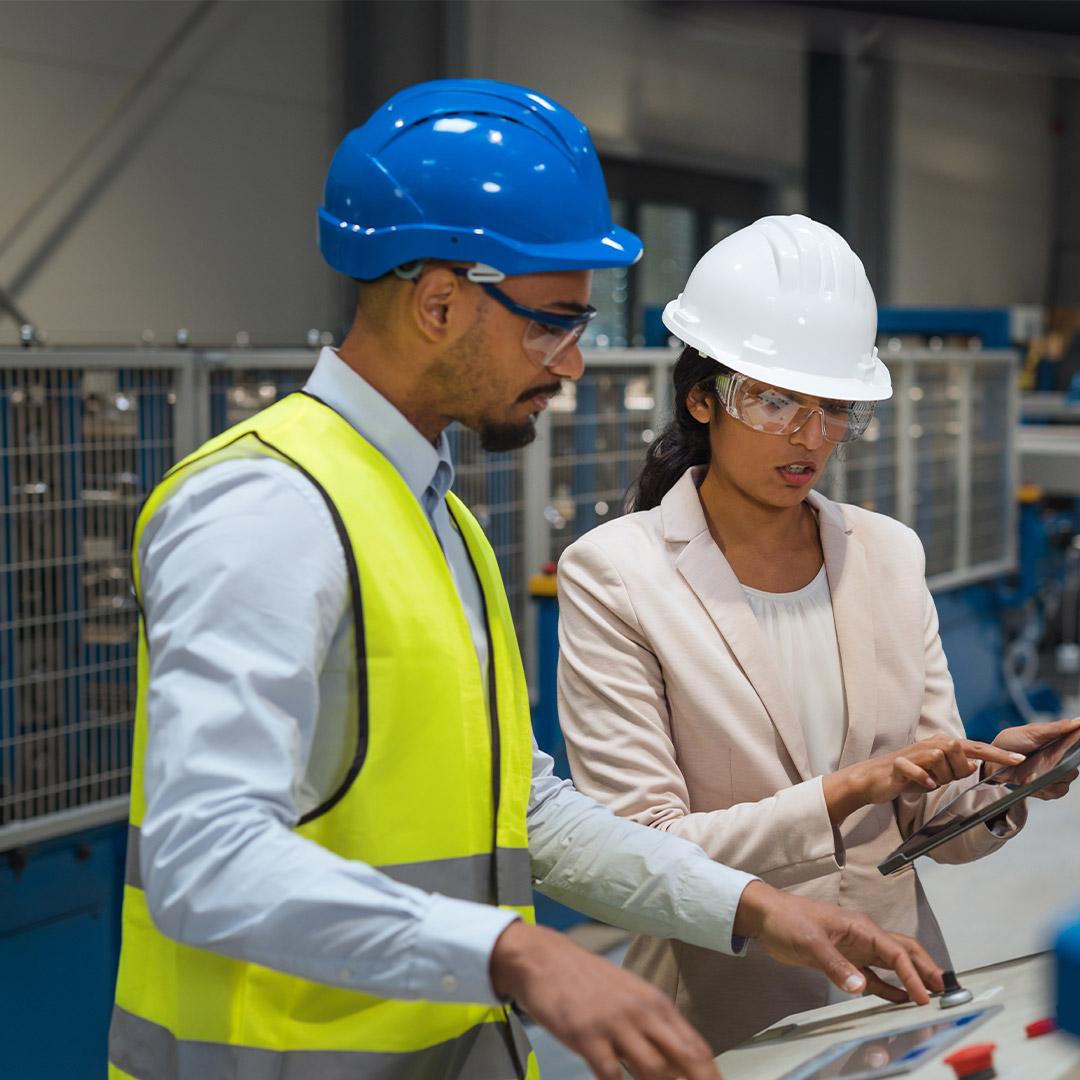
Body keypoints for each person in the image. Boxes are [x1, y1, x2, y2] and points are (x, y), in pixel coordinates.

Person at [108, 88, 944, 1080]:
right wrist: (515, 951)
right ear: (440, 302)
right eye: (554, 323)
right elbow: (204, 859)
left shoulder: (435, 517)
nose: (577, 363)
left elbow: (525, 810)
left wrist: (757, 908)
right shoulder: (268, 508)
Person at [556, 213, 1080, 1054]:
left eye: (834, 406)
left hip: (896, 997)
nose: (812, 436)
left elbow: (931, 818)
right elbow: (640, 853)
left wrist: (1003, 787)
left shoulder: (886, 555)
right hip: (722, 1014)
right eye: (774, 400)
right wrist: (843, 790)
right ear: (702, 398)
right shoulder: (617, 574)